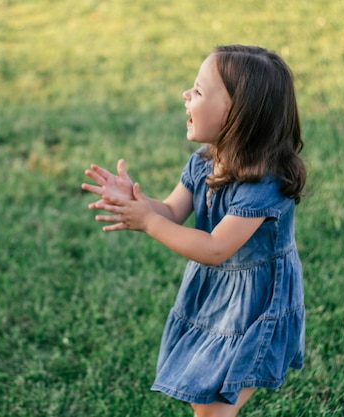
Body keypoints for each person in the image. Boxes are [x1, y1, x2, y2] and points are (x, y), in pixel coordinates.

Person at [81, 45, 306, 417]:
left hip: (255, 307)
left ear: (237, 115)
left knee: (213, 409)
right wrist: (137, 202)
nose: (186, 95)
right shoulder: (204, 161)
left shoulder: (265, 185)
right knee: (202, 398)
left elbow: (216, 248)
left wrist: (148, 222)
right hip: (216, 297)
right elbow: (171, 210)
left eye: (199, 91)